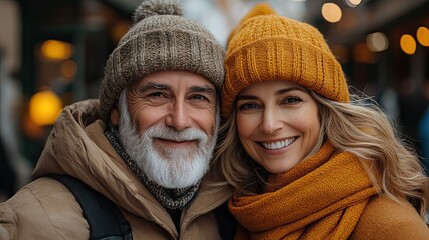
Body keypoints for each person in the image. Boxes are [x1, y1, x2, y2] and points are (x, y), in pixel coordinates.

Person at [0, 0, 235, 239]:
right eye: (157, 95)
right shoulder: (38, 220)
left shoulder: (229, 210)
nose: (180, 120)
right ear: (116, 110)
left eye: (198, 97)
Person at [214, 3, 429, 239]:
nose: (269, 124)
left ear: (324, 108)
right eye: (250, 105)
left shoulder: (390, 226)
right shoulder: (239, 207)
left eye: (290, 100)